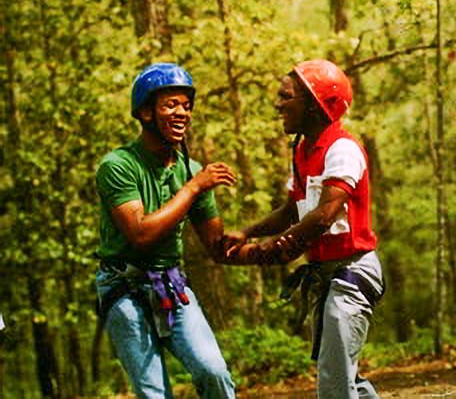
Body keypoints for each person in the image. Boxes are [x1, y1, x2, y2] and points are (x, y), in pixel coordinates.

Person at [224, 59, 385, 399]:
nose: (278, 104)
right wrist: (248, 232)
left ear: (314, 103)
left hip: (352, 272)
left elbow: (324, 215)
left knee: (333, 382)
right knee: (345, 377)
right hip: (326, 276)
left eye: (286, 96)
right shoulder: (302, 151)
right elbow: (291, 210)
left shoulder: (342, 149)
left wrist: (272, 251)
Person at [94, 62, 237, 398]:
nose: (182, 113)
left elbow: (217, 246)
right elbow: (140, 234)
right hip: (123, 288)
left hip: (171, 285)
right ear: (145, 112)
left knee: (213, 370)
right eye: (171, 104)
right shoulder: (117, 166)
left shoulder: (192, 171)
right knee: (154, 392)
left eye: (186, 106)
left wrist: (276, 242)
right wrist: (192, 188)